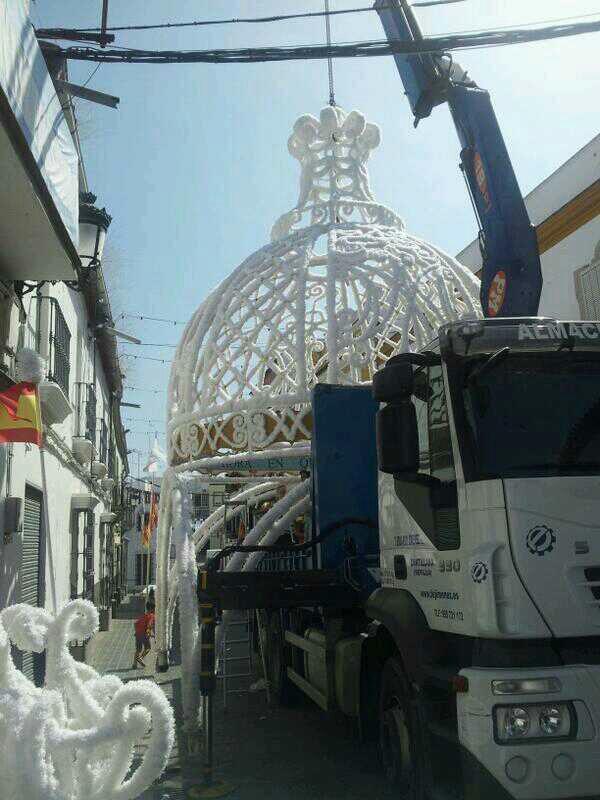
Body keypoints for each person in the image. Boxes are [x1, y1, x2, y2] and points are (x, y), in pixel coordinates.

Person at [133, 601, 155, 668]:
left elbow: (135, 623)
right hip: (144, 634)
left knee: (138, 650)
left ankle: (134, 664)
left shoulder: (143, 615)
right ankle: (141, 658)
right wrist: (149, 634)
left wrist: (137, 632)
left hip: (137, 634)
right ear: (152, 609)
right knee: (148, 647)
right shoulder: (151, 616)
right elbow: (149, 625)